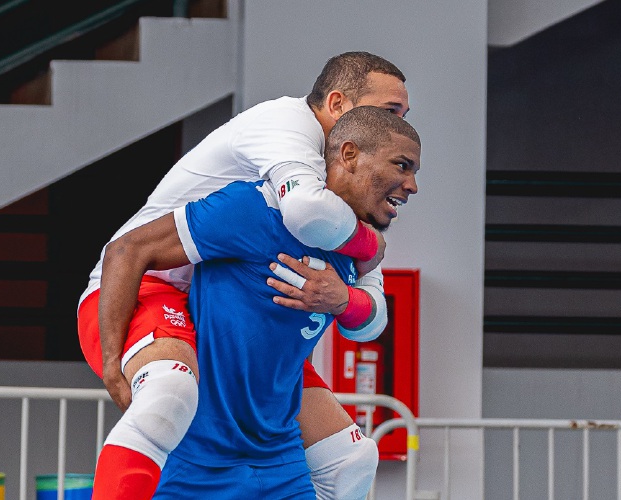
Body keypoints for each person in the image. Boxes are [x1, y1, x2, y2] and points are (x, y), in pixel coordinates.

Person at [77, 52, 410, 499]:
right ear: (336, 105)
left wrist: (342, 297)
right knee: (169, 395)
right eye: (388, 112)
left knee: (351, 459)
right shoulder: (287, 135)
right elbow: (306, 212)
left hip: (214, 310)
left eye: (404, 116)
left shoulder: (346, 209)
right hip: (147, 284)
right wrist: (372, 246)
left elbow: (373, 321)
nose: (396, 126)